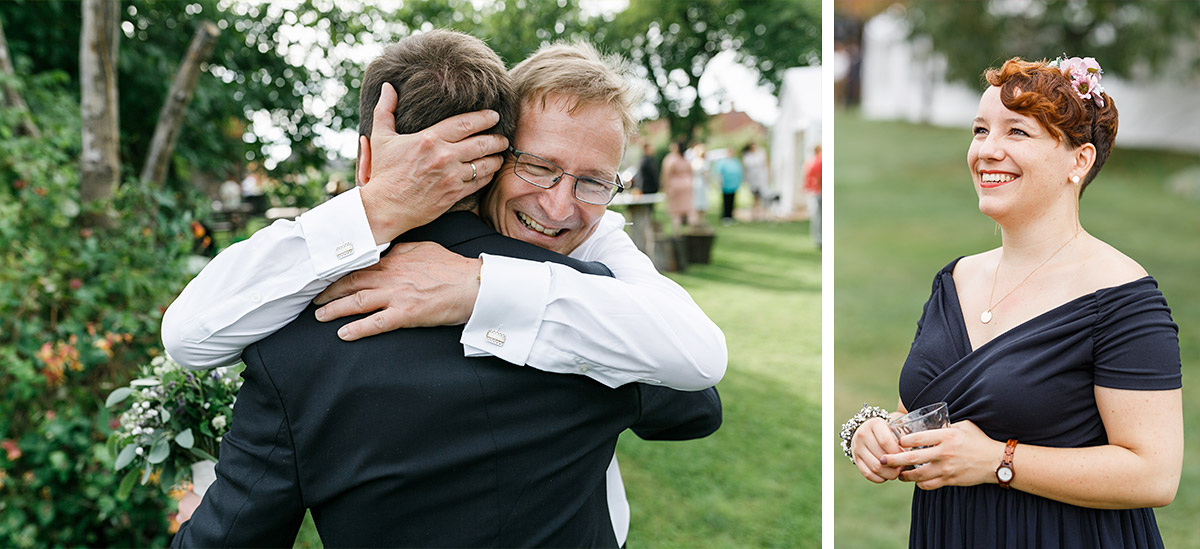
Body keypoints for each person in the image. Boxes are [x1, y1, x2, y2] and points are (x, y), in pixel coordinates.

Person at [165, 32, 725, 546]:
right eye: (538, 167)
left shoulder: (294, 342)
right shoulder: (602, 308)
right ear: (493, 158)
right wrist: (381, 206)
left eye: (594, 183)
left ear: (365, 156)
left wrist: (481, 284)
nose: (560, 206)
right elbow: (692, 408)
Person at [841, 56, 1182, 548]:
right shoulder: (954, 279)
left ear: (1078, 161)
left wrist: (997, 461)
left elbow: (1154, 475)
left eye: (1017, 132)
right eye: (980, 130)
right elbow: (916, 414)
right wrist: (876, 431)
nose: (987, 150)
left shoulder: (1123, 300)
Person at [660, 140, 693, 233]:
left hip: (675, 186)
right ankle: (691, 233)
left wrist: (666, 188)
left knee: (675, 212)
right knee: (688, 210)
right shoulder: (686, 160)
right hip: (687, 185)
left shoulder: (671, 159)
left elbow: (666, 174)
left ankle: (677, 233)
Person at [741, 142, 769, 221]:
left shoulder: (761, 153)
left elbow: (765, 164)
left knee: (763, 197)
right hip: (752, 179)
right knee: (754, 197)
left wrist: (767, 176)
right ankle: (754, 215)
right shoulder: (747, 156)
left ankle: (763, 215)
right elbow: (745, 168)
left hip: (761, 178)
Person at [803, 144, 822, 249]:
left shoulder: (813, 160)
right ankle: (819, 239)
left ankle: (818, 238)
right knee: (819, 215)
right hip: (819, 190)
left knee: (818, 215)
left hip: (816, 190)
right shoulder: (819, 160)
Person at [716, 150, 743, 225]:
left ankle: (731, 216)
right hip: (726, 184)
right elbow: (719, 172)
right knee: (726, 200)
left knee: (732, 200)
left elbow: (739, 172)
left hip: (733, 184)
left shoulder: (735, 162)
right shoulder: (723, 162)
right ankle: (725, 216)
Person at [687, 142, 710, 222]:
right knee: (701, 201)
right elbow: (706, 175)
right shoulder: (703, 162)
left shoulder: (693, 161)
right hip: (701, 183)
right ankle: (700, 219)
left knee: (697, 200)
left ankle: (697, 219)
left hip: (695, 182)